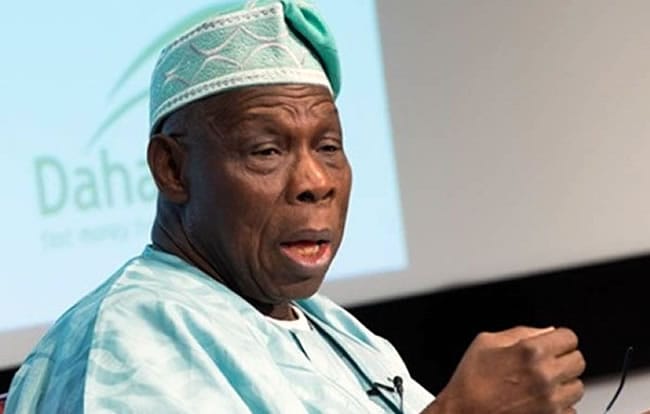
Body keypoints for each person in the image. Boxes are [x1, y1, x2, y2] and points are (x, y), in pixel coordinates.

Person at [6, 0, 587, 412]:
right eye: (266, 150)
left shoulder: (333, 329)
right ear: (173, 170)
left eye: (329, 147)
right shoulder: (129, 339)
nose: (315, 181)